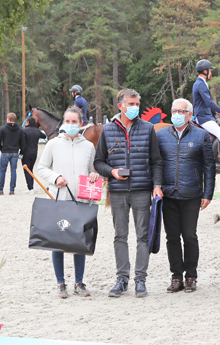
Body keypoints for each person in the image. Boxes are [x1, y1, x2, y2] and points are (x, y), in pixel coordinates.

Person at [94, 88, 164, 298]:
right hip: (117, 192)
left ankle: (140, 280)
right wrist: (112, 172)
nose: (134, 108)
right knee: (120, 236)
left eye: (137, 104)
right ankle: (121, 279)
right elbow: (98, 162)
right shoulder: (107, 130)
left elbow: (156, 161)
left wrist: (157, 185)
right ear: (120, 106)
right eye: (131, 104)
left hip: (142, 191)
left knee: (143, 236)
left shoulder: (148, 128)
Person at [35, 106, 98, 298]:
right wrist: (56, 178)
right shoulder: (53, 144)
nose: (71, 125)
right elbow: (42, 168)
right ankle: (61, 283)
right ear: (63, 123)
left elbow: (92, 168)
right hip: (58, 199)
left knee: (79, 242)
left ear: (81, 123)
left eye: (74, 122)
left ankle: (79, 282)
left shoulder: (88, 146)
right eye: (67, 121)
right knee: (58, 241)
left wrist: (94, 174)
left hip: (81, 200)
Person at [156, 99, 216, 294]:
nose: (176, 114)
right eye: (174, 110)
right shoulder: (161, 135)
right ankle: (176, 276)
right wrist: (156, 186)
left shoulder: (202, 135)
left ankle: (191, 276)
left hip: (191, 193)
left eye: (181, 111)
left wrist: (208, 193)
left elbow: (209, 166)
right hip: (168, 194)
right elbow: (156, 163)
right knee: (172, 237)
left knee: (189, 236)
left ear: (189, 114)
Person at [193, 59, 220, 145]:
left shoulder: (202, 83)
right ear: (205, 71)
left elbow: (206, 103)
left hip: (207, 115)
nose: (211, 73)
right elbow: (209, 102)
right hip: (203, 117)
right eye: (210, 71)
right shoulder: (200, 84)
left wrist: (216, 113)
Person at [0, 113, 26, 195]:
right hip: (15, 152)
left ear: (8, 119)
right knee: (13, 171)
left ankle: (0, 189)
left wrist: (1, 148)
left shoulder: (3, 129)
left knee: (2, 171)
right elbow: (23, 143)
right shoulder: (20, 130)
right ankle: (12, 190)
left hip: (5, 151)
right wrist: (21, 152)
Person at [21, 117, 46, 194]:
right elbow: (44, 136)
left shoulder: (24, 131)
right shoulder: (37, 131)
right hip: (34, 153)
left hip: (26, 153)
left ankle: (30, 188)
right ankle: (31, 187)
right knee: (30, 169)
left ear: (27, 123)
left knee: (27, 170)